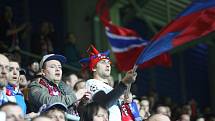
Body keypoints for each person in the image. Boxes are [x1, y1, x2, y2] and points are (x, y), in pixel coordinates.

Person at [80, 45, 137, 121]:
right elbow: (104, 103)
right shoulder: (91, 83)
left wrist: (125, 100)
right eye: (103, 62)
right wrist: (124, 83)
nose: (108, 65)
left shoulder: (110, 88)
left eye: (109, 63)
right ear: (93, 68)